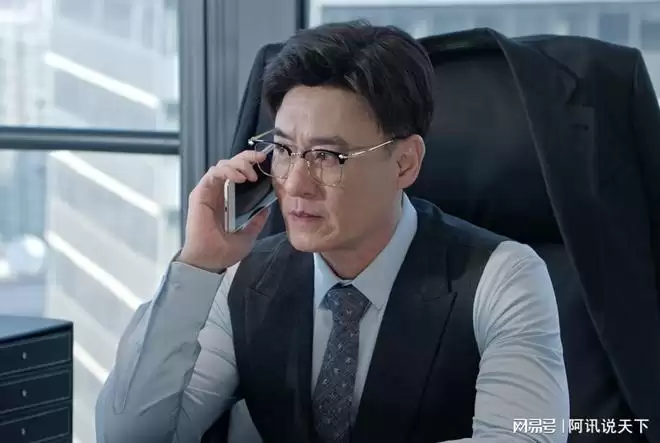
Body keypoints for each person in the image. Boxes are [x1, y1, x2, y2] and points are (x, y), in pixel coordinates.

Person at [96, 21, 569, 443]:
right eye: (284, 151)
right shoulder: (244, 279)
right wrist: (197, 265)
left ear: (405, 163)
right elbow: (133, 437)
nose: (296, 184)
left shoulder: (503, 277)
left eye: (328, 157)